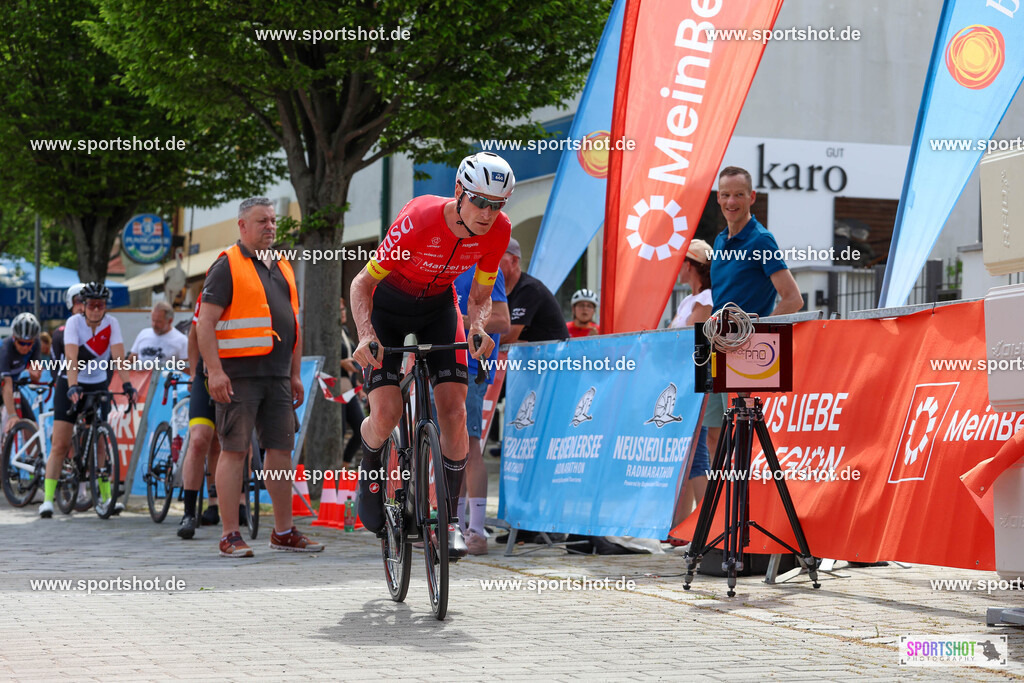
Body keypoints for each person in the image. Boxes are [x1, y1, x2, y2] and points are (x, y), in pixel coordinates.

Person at [350, 151, 515, 560]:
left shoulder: (498, 233)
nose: (487, 213)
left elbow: (479, 297)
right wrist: (366, 335)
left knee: (455, 414)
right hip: (388, 306)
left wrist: (477, 327)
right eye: (479, 201)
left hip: (440, 309)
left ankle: (449, 521)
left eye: (497, 205)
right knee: (386, 414)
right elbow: (360, 285)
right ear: (459, 191)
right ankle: (370, 465)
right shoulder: (420, 218)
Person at [196, 197, 323, 558]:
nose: (269, 226)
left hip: (278, 377)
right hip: (238, 376)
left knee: (281, 452)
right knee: (235, 450)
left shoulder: (282, 265)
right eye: (261, 221)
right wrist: (215, 371)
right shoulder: (226, 265)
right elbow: (205, 324)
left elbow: (293, 325)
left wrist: (296, 374)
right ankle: (229, 534)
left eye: (272, 220)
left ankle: (283, 531)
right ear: (242, 226)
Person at [704, 166, 803, 459]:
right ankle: (719, 505)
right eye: (725, 195)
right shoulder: (720, 240)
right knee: (713, 434)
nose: (731, 201)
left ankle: (743, 504)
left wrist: (752, 333)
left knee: (741, 436)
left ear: (752, 197)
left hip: (746, 348)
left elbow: (793, 299)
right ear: (718, 199)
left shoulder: (761, 240)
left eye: (738, 194)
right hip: (714, 343)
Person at [39, 282, 135, 518]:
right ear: (83, 307)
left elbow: (118, 356)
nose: (95, 309)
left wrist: (127, 384)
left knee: (101, 442)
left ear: (105, 307)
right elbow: (71, 357)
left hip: (98, 383)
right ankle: (48, 500)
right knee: (61, 443)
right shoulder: (74, 323)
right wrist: (72, 386)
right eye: (91, 305)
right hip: (70, 381)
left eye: (100, 305)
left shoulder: (112, 324)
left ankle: (104, 497)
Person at [454, 264, 510, 555]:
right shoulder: (439, 261)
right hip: (436, 363)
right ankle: (452, 526)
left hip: (470, 366)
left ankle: (475, 530)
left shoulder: (485, 267)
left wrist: (461, 322)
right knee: (448, 449)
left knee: (469, 446)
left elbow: (502, 320)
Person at [669, 239, 714, 519]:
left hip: (694, 382)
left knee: (696, 455)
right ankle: (681, 527)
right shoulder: (690, 299)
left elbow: (692, 340)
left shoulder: (706, 299)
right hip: (684, 382)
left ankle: (707, 525)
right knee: (688, 455)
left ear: (690, 265)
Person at [177, 294, 227, 539]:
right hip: (205, 377)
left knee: (224, 442)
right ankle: (188, 511)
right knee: (199, 440)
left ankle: (218, 504)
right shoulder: (208, 294)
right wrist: (194, 373)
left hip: (239, 373)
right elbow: (194, 335)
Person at [499, 238, 570, 344]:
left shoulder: (529, 289)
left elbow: (508, 337)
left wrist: (477, 343)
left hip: (553, 357)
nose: (488, 264)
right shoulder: (502, 290)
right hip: (537, 356)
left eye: (495, 258)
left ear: (514, 261)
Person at [1, 313, 44, 433]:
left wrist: (35, 373)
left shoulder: (36, 345)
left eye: (29, 343)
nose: (25, 347)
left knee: (33, 426)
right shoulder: (5, 348)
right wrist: (12, 415)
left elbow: (36, 374)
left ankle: (35, 451)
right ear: (14, 338)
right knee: (10, 422)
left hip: (13, 387)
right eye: (22, 343)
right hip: (5, 385)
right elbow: (7, 385)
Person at [338, 296, 365, 466]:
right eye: (340, 309)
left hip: (349, 387)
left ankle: (344, 463)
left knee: (361, 428)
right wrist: (341, 363)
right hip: (334, 386)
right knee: (338, 430)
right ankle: (334, 471)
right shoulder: (327, 332)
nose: (343, 312)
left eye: (344, 308)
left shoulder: (345, 331)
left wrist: (358, 386)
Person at [129, 301, 188, 370]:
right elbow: (131, 360)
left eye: (158, 322)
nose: (154, 325)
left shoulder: (182, 340)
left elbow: (186, 369)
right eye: (153, 320)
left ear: (170, 321)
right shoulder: (143, 334)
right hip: (140, 377)